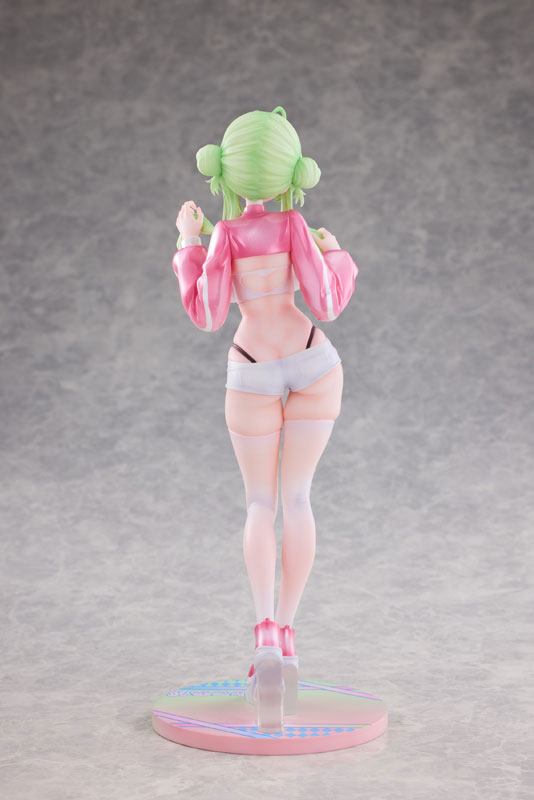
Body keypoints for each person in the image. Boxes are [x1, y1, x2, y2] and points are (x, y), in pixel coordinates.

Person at [172, 106, 358, 732]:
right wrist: (337, 253)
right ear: (290, 169)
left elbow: (206, 314)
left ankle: (264, 638)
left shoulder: (226, 235)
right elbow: (327, 301)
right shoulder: (295, 224)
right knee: (298, 499)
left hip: (251, 365)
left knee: (260, 504)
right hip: (312, 360)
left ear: (223, 171)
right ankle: (290, 635)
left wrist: (189, 243)